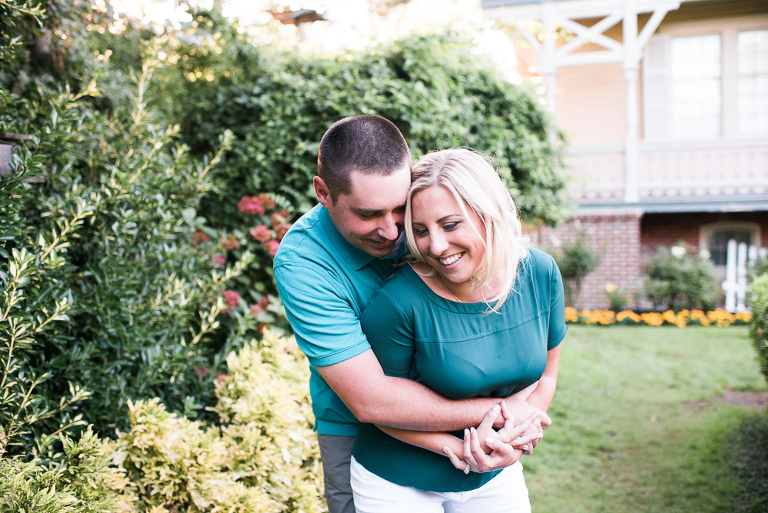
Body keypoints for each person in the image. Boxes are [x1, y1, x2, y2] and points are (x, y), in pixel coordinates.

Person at [274, 116, 550, 513]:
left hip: (472, 409)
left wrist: (509, 425)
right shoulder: (304, 265)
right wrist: (508, 411)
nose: (391, 231)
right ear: (323, 192)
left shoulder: (428, 221)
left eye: (399, 209)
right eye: (368, 214)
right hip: (358, 431)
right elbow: (373, 401)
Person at [350, 148, 567, 513]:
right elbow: (379, 409)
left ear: (489, 214)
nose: (435, 246)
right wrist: (463, 450)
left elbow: (547, 374)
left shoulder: (540, 274)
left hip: (494, 470)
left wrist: (513, 438)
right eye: (420, 231)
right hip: (397, 478)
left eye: (450, 225)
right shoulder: (398, 303)